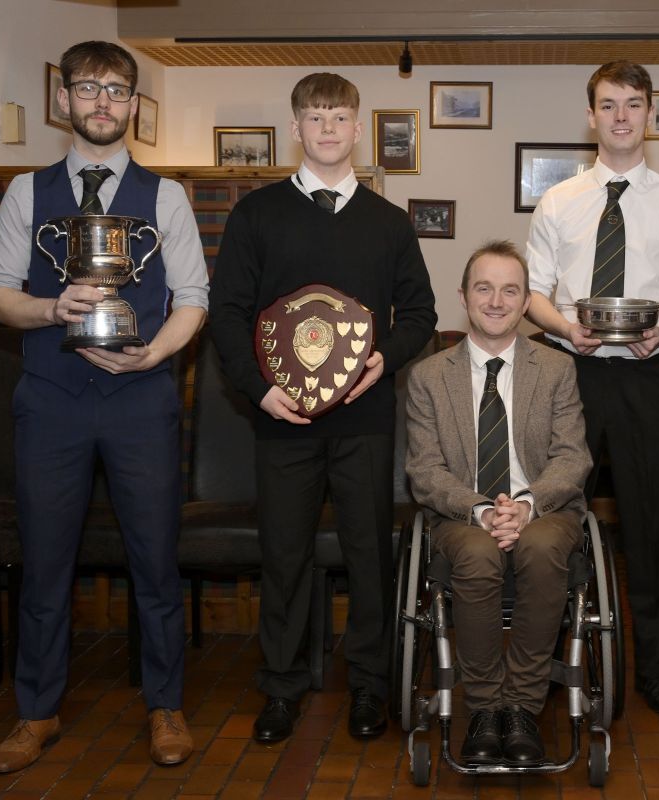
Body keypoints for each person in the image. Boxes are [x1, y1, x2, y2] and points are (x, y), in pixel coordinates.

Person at [0, 41, 208, 772]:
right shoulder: (26, 190)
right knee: (44, 562)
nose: (103, 103)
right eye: (88, 89)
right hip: (51, 400)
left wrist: (155, 354)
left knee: (155, 561)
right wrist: (52, 309)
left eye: (116, 91)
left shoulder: (166, 195)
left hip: (141, 400)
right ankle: (36, 713)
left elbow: (194, 300)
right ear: (66, 102)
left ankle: (165, 707)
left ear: (134, 105)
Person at [209, 72, 436, 744]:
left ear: (357, 127)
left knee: (370, 555)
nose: (328, 129)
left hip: (364, 421)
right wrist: (259, 389)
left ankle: (368, 687)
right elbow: (226, 316)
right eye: (315, 117)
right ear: (297, 128)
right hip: (282, 421)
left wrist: (383, 362)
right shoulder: (256, 215)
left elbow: (420, 313)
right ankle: (281, 687)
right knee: (284, 557)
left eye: (340, 117)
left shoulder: (390, 223)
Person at [525, 60, 659, 716]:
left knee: (653, 527)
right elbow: (535, 294)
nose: (622, 116)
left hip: (645, 375)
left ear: (651, 114)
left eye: (634, 104)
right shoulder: (559, 201)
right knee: (551, 523)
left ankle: (653, 672)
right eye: (609, 105)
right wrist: (565, 328)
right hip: (566, 375)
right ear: (591, 115)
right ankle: (549, 663)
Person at [405, 241, 592, 765]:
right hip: (462, 514)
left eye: (510, 290)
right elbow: (424, 470)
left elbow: (572, 457)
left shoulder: (555, 369)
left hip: (545, 511)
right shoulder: (428, 376)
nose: (495, 300)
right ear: (463, 297)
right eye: (483, 288)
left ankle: (522, 709)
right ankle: (486, 708)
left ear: (526, 299)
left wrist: (528, 504)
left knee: (539, 550)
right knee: (479, 554)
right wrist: (483, 510)